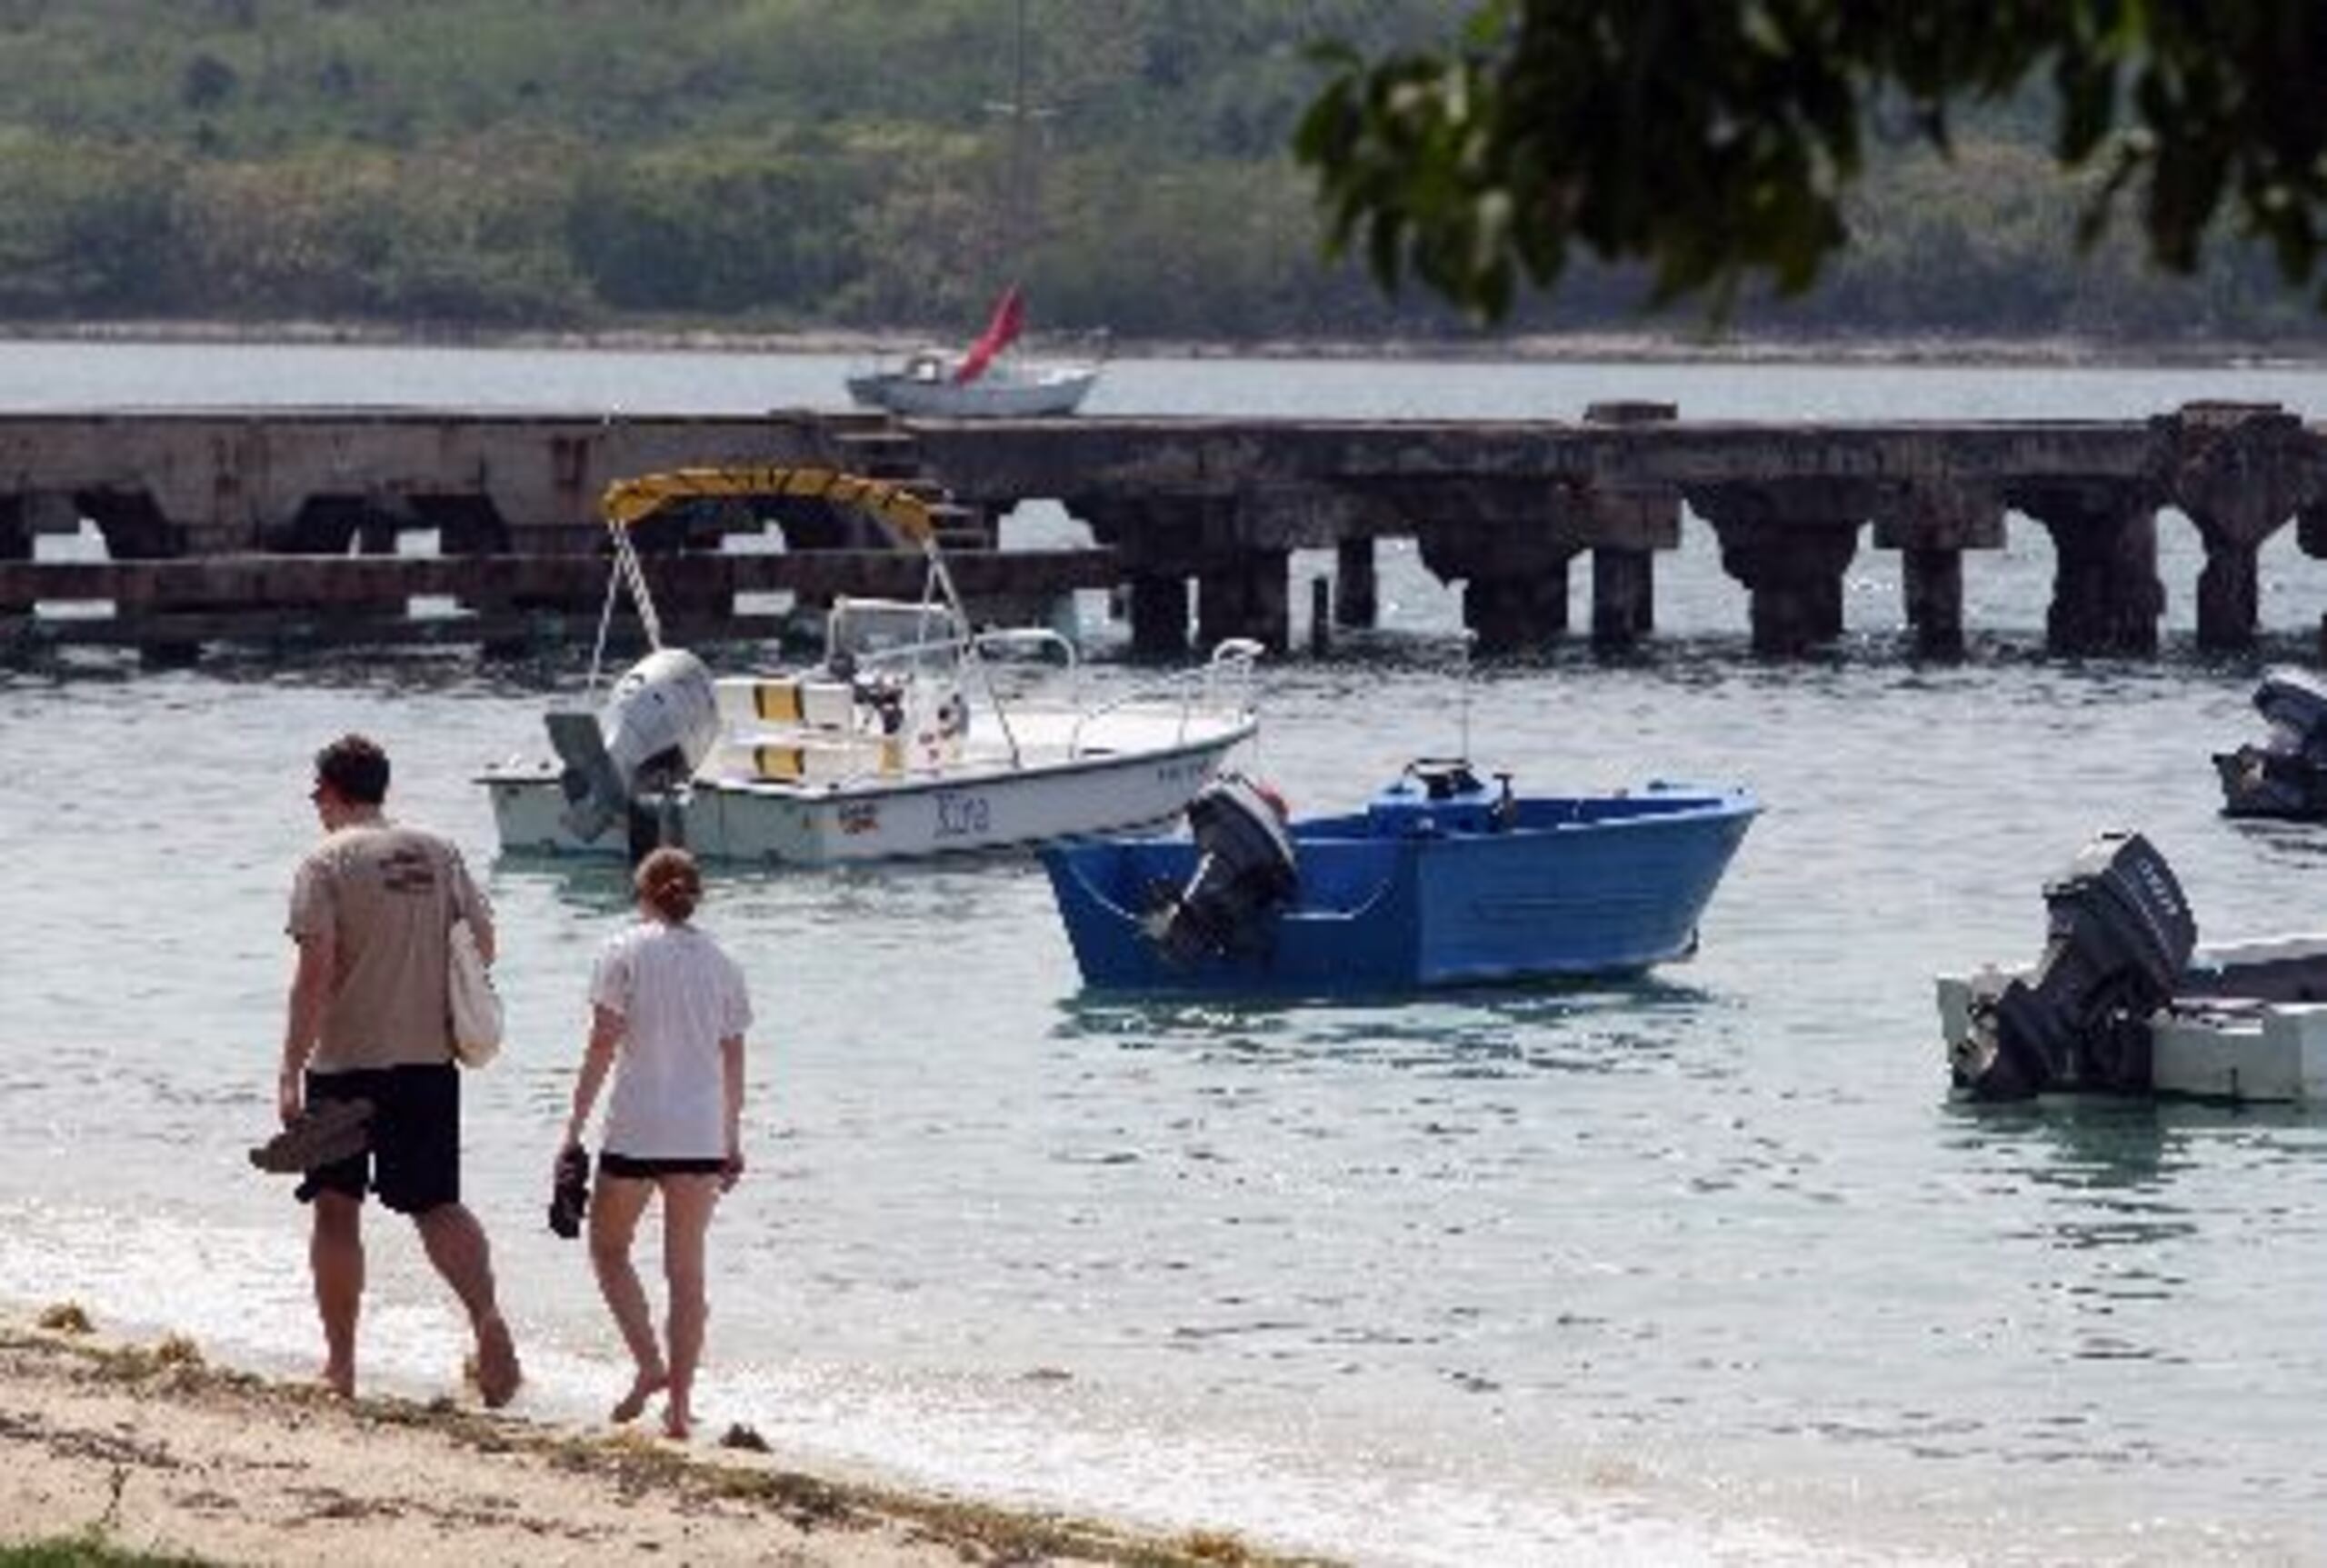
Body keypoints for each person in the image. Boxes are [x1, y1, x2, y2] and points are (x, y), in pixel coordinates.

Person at [279, 733, 521, 1406]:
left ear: (330, 792)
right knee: (436, 1203)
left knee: (335, 1210)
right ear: (380, 789)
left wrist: (288, 1071)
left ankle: (342, 1365)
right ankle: (487, 1317)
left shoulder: (324, 861)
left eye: (316, 793)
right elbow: (486, 944)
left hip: (345, 1064)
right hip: (426, 1061)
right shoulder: (439, 850)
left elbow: (314, 974)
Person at [559, 845, 750, 1440]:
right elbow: (734, 1055)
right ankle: (679, 1409)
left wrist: (572, 1128)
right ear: (695, 895)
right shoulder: (722, 960)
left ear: (640, 891)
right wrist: (731, 1136)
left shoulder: (622, 951)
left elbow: (603, 1042)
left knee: (609, 1248)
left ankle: (649, 1364)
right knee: (687, 1272)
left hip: (637, 1130)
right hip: (699, 1135)